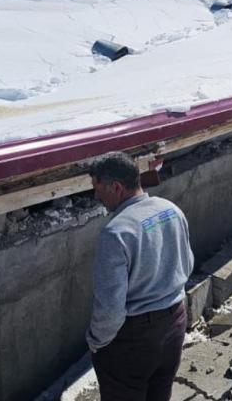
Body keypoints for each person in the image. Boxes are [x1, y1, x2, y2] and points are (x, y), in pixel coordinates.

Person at [87, 152, 194, 401]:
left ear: (116, 187)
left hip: (134, 339)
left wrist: (96, 341)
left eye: (98, 189)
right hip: (175, 322)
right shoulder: (170, 210)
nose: (96, 197)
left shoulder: (115, 233)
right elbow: (187, 264)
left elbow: (110, 309)